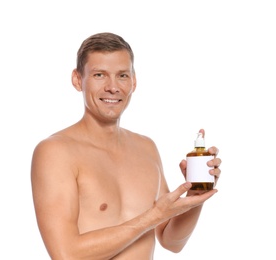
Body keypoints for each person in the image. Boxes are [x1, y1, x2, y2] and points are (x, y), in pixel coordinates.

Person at [31, 32, 222, 260]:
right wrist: (152, 217)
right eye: (100, 75)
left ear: (134, 82)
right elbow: (67, 254)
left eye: (122, 75)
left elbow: (171, 242)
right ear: (77, 79)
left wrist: (194, 196)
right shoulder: (56, 152)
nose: (113, 87)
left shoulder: (146, 148)